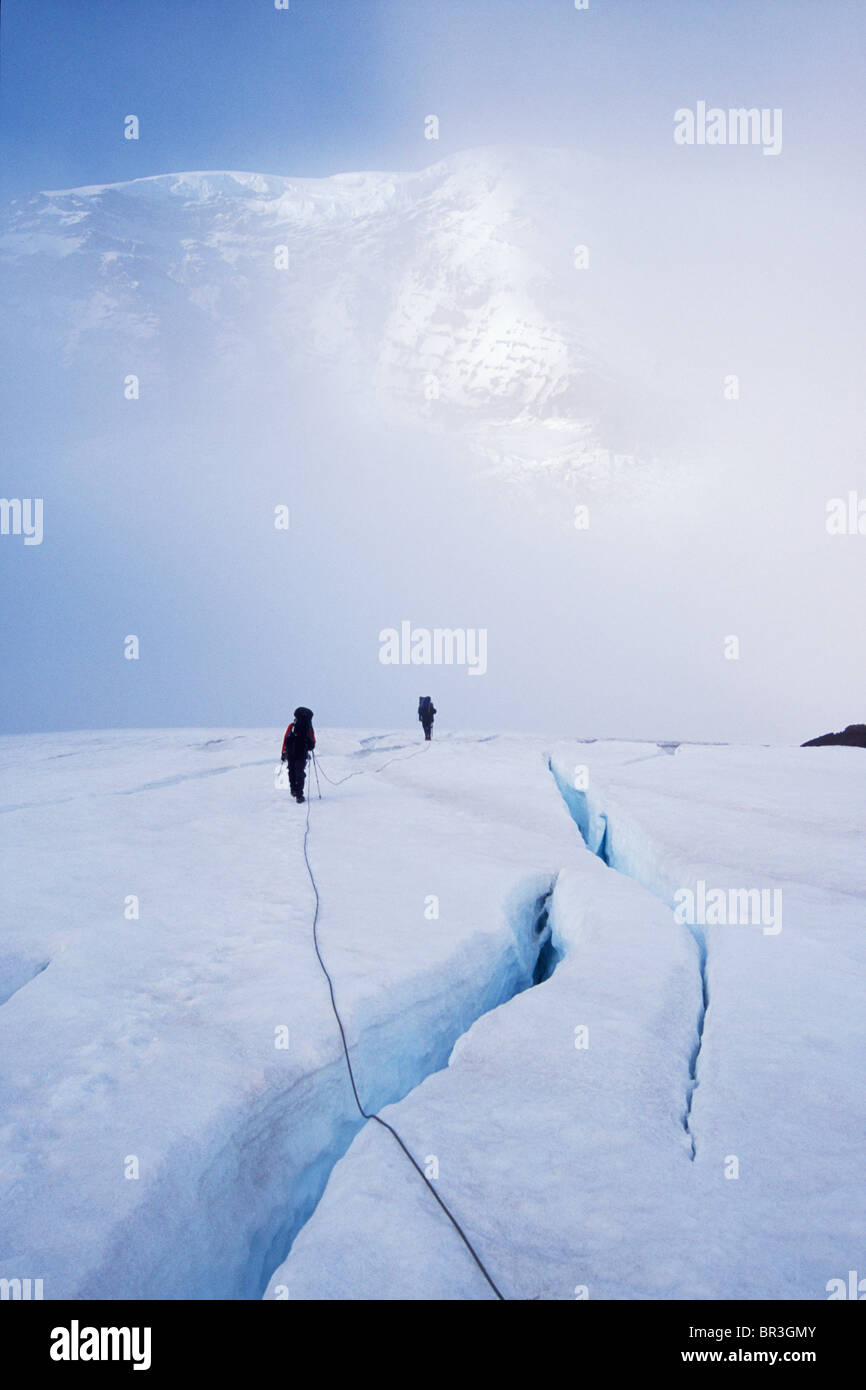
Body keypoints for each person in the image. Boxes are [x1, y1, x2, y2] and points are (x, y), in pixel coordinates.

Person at [281, 707, 316, 802]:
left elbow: (285, 739)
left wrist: (283, 753)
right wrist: (310, 746)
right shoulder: (308, 727)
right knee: (299, 772)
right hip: (302, 752)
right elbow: (312, 741)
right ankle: (299, 795)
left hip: (290, 752)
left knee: (291, 770)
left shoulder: (291, 726)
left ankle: (294, 789)